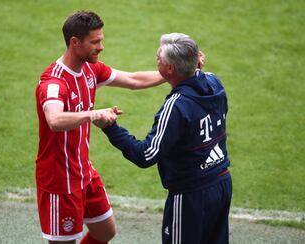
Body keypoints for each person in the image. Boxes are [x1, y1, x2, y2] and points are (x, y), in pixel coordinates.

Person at [35, 11, 170, 244]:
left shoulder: (90, 70)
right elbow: (54, 120)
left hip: (84, 172)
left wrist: (172, 73)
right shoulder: (54, 84)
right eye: (95, 42)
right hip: (60, 181)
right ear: (75, 43)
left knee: (105, 231)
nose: (101, 47)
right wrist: (93, 113)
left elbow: (134, 80)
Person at [97, 33, 232, 244]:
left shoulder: (176, 105)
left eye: (159, 60)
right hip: (222, 183)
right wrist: (192, 66)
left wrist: (111, 128)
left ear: (170, 69)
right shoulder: (214, 82)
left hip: (190, 196)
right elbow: (192, 78)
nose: (156, 60)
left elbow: (146, 154)